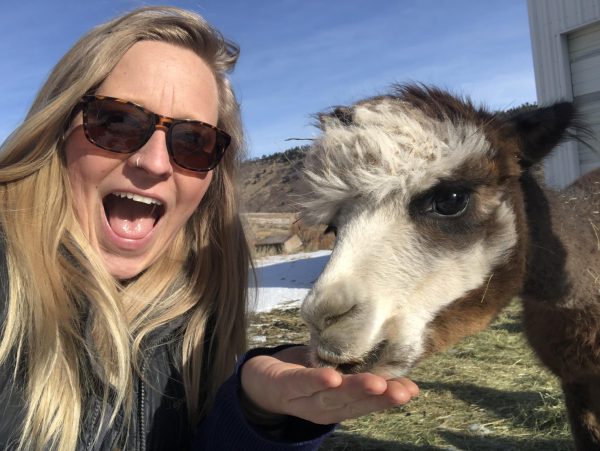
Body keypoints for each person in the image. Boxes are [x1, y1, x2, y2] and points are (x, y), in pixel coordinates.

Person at [0, 6, 419, 450]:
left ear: (213, 172)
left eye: (193, 141)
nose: (154, 162)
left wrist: (255, 412)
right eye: (117, 121)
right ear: (58, 128)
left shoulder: (199, 307)